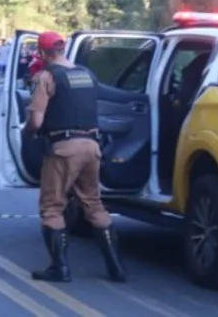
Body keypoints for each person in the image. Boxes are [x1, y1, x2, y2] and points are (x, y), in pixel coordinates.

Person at [26, 31, 126, 284]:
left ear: (42, 51)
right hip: (92, 147)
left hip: (63, 149)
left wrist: (27, 131)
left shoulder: (46, 77)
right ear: (64, 48)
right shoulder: (87, 74)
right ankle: (116, 267)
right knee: (93, 203)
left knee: (52, 206)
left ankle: (59, 268)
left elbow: (36, 121)